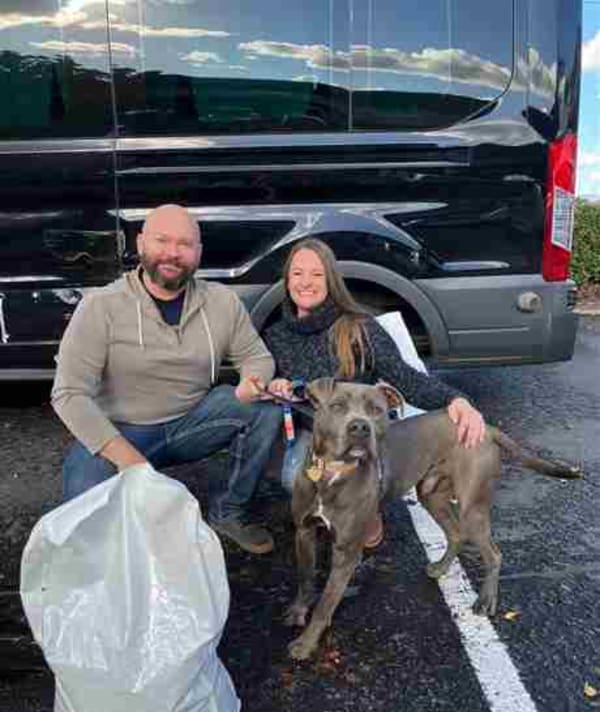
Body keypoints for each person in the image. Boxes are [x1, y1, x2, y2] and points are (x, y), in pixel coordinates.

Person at [51, 204, 282, 555]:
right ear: (141, 243)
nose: (173, 253)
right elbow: (68, 393)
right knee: (87, 525)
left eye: (184, 244)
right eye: (162, 240)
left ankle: (229, 512)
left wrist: (254, 380)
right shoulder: (101, 306)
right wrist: (129, 460)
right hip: (121, 432)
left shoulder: (222, 302)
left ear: (198, 253)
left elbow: (257, 356)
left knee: (266, 410)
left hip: (192, 422)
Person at [262, 237, 485, 548]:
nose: (306, 282)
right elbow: (266, 381)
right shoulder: (275, 336)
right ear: (287, 281)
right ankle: (331, 509)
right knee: (294, 477)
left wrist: (455, 400)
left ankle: (367, 508)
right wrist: (275, 384)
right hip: (313, 435)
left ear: (331, 280)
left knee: (354, 477)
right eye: (297, 273)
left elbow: (405, 378)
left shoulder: (359, 327)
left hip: (360, 433)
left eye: (317, 274)